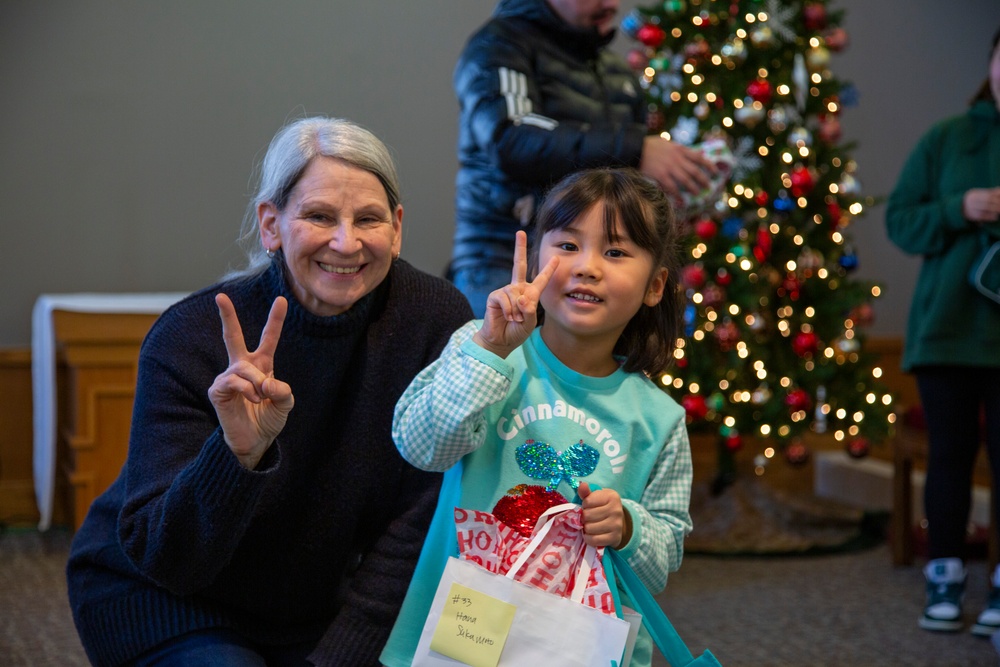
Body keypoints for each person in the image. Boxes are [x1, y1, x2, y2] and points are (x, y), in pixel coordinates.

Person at [65, 117, 473, 666]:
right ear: (271, 224)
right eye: (319, 216)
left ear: (396, 229)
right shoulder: (190, 337)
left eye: (368, 219)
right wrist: (236, 456)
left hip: (315, 604)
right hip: (170, 596)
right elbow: (168, 558)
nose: (346, 242)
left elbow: (414, 525)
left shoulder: (434, 321)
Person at [380, 167, 694, 667]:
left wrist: (629, 525)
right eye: (568, 246)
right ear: (535, 258)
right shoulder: (482, 344)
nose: (587, 267)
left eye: (615, 252)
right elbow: (421, 446)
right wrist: (490, 352)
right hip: (471, 620)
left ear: (655, 285)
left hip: (581, 641)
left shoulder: (659, 419)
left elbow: (663, 559)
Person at [450, 0, 716, 317]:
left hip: (595, 267)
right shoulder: (500, 45)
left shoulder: (616, 72)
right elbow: (512, 136)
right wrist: (637, 150)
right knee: (497, 363)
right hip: (505, 262)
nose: (612, 4)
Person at [885, 26, 1000, 637]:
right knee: (950, 461)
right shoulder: (947, 139)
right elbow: (901, 222)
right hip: (947, 332)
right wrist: (963, 208)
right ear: (991, 65)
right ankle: (945, 576)